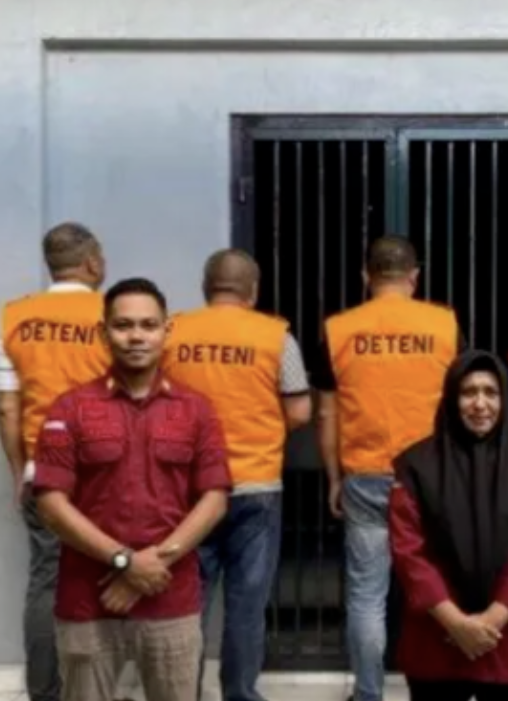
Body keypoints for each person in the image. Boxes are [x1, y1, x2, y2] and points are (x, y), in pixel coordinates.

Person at [30, 277, 233, 701]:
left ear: (166, 330)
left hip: (170, 600)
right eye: (123, 325)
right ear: (103, 332)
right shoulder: (70, 408)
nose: (136, 336)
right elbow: (50, 503)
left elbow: (214, 499)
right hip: (88, 602)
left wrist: (147, 568)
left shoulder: (197, 410)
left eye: (148, 325)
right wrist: (123, 560)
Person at [311, 235, 463, 701]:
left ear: (366, 275)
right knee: (437, 586)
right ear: (414, 276)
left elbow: (326, 414)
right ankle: (439, 689)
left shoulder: (338, 329)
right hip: (432, 475)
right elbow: (466, 402)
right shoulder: (445, 325)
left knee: (366, 594)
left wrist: (334, 478)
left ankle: (368, 692)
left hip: (365, 473)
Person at [159, 249, 313, 701]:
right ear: (254, 290)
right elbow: (300, 411)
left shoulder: (172, 332)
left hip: (188, 489)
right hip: (255, 485)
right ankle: (240, 694)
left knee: (187, 603)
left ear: (207, 287)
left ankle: (181, 693)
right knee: (247, 605)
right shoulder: (276, 337)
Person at [389, 350, 508, 701]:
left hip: (506, 638)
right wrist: (455, 622)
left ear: (505, 400)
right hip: (436, 638)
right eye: (468, 392)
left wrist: (491, 620)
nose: (480, 404)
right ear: (451, 399)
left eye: (491, 392)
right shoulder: (415, 465)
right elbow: (408, 551)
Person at [0, 221, 112, 701]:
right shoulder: (114, 314)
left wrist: (19, 472)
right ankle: (99, 690)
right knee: (112, 573)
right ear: (92, 263)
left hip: (44, 471)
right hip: (105, 471)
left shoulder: (16, 317)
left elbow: (7, 407)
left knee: (47, 580)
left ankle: (45, 692)